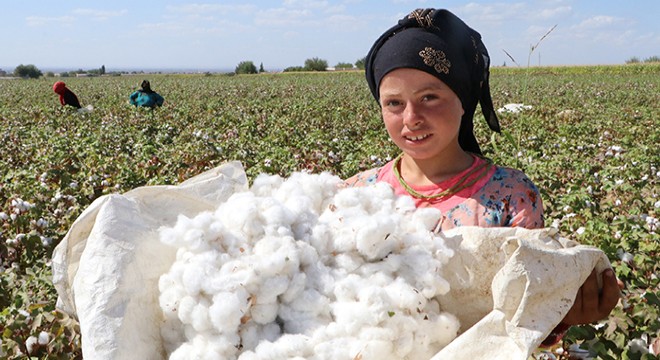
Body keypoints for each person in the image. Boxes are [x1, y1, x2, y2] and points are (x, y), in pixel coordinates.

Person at [344, 8, 621, 346]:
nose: (412, 118)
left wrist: (559, 312)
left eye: (429, 97)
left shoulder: (511, 197)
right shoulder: (355, 195)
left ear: (463, 100)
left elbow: (518, 326)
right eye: (394, 103)